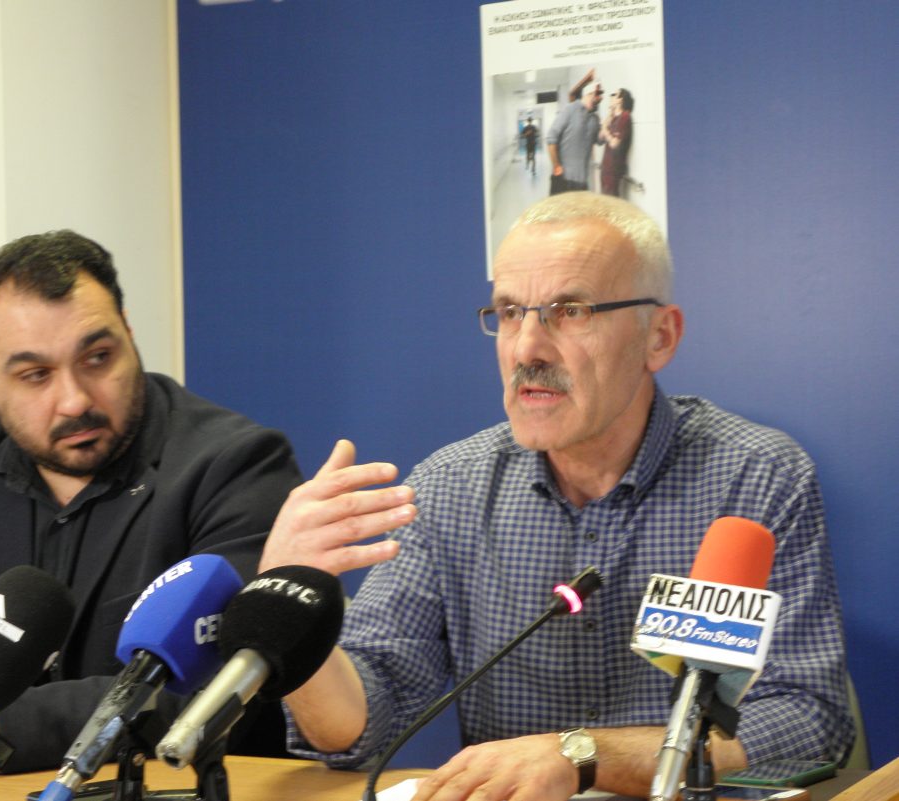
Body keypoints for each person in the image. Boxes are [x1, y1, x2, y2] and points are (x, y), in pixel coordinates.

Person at [260, 193, 853, 801]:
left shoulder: (756, 477)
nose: (527, 349)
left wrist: (582, 756)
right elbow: (356, 727)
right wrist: (288, 609)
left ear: (659, 336)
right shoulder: (451, 486)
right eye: (509, 312)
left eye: (570, 311)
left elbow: (808, 723)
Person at [0, 230, 303, 772]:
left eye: (98, 358)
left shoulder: (236, 465)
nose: (75, 400)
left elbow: (213, 689)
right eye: (35, 375)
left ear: (129, 335)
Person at [546, 77, 603, 194]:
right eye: (597, 95)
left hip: (582, 182)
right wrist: (556, 166)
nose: (600, 99)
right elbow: (551, 138)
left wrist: (610, 118)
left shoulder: (595, 118)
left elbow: (599, 140)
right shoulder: (569, 110)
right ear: (589, 94)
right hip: (563, 179)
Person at [599, 88, 634, 197]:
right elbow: (601, 136)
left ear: (620, 100)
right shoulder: (614, 117)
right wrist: (610, 113)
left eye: (614, 95)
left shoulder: (625, 117)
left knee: (611, 202)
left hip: (613, 169)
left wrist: (605, 130)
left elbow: (614, 144)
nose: (611, 97)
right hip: (606, 168)